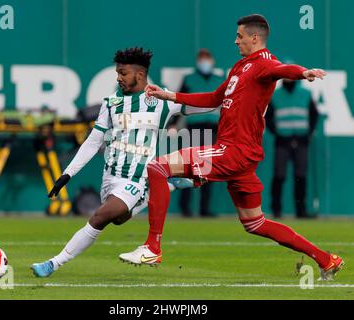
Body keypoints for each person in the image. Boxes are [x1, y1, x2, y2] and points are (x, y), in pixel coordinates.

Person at [119, 15, 344, 281]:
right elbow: (214, 98)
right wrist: (168, 95)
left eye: (240, 36)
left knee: (158, 167)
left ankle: (152, 247)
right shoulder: (240, 67)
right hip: (240, 158)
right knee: (255, 223)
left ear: (255, 38)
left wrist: (303, 72)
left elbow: (283, 69)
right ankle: (326, 259)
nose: (235, 40)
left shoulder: (264, 64)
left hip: (234, 152)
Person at [30, 47, 212, 277]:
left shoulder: (162, 100)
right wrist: (68, 174)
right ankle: (169, 185)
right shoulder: (111, 103)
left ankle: (53, 263)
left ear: (139, 74)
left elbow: (205, 103)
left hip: (137, 177)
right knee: (118, 219)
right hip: (110, 177)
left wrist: (236, 99)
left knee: (100, 217)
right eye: (117, 73)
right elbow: (94, 141)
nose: (118, 78)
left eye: (123, 73)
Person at [265, 72, 319, 218]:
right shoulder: (275, 95)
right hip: (282, 141)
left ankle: (300, 210)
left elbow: (314, 114)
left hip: (301, 140)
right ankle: (276, 209)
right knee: (279, 175)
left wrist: (308, 133)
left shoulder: (305, 94)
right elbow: (268, 117)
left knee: (300, 176)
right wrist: (277, 132)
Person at [177, 49, 223, 217]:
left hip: (213, 129)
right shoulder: (189, 79)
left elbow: (227, 105)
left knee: (208, 169)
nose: (205, 62)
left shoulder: (220, 80)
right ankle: (185, 207)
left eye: (207, 58)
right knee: (189, 167)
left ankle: (205, 208)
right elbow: (179, 102)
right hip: (194, 129)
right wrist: (173, 124)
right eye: (202, 59)